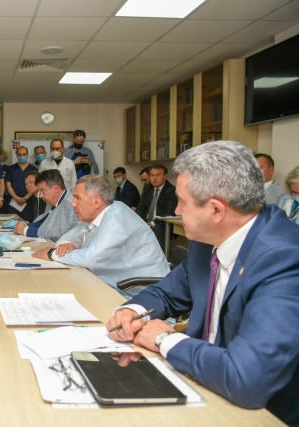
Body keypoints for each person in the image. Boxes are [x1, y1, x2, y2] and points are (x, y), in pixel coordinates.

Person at [106, 141, 299, 426]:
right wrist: (132, 311)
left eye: (182, 202)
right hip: (200, 383)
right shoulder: (207, 241)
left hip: (261, 414)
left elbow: (248, 379)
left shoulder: (285, 259)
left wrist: (164, 339)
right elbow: (167, 293)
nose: (177, 210)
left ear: (216, 210)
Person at [31, 175, 169, 297]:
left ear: (96, 201)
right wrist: (67, 245)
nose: (72, 204)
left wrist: (52, 254)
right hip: (114, 284)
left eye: (77, 198)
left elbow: (91, 258)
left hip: (140, 293)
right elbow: (67, 237)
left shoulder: (115, 218)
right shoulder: (95, 214)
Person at [13, 170, 78, 240]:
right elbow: (45, 222)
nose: (41, 195)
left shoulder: (69, 204)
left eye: (42, 190)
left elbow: (58, 233)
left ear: (56, 188)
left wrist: (26, 230)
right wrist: (27, 226)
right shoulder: (56, 201)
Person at [135, 164, 177, 251]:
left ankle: (158, 256)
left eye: (158, 175)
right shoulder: (147, 188)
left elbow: (169, 213)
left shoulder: (172, 190)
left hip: (161, 223)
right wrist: (141, 221)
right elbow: (140, 207)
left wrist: (153, 223)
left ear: (165, 176)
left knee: (158, 228)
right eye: (152, 175)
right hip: (146, 221)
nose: (154, 178)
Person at [5, 146, 37, 219]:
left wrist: (25, 198)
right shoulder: (11, 169)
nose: (22, 156)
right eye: (19, 154)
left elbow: (35, 186)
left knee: (27, 222)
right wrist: (16, 198)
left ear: (27, 155)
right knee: (12, 222)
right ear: (16, 155)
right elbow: (8, 185)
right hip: (13, 202)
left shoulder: (33, 169)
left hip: (28, 202)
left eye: (24, 154)